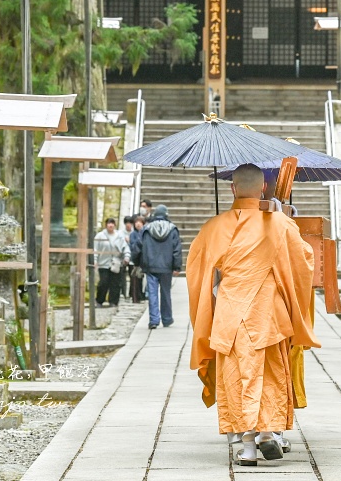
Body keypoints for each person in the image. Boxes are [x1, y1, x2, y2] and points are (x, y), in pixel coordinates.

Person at [187, 164, 319, 466]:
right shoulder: (280, 224)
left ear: (233, 188)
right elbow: (304, 261)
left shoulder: (214, 227)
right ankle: (268, 431)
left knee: (236, 377)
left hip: (231, 313)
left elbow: (197, 272)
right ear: (263, 188)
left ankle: (246, 447)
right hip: (268, 313)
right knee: (270, 373)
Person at [133, 205, 182, 328]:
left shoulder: (146, 229)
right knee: (166, 293)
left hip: (150, 266)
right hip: (166, 267)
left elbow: (138, 247)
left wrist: (137, 262)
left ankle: (154, 320)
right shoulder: (172, 230)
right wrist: (177, 266)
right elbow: (177, 249)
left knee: (152, 293)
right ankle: (167, 318)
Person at [93, 218, 130, 307]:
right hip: (103, 263)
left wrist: (127, 256)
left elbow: (125, 247)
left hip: (116, 263)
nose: (111, 225)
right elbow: (95, 249)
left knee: (115, 283)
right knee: (103, 282)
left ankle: (113, 301)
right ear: (106, 225)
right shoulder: (100, 236)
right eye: (109, 223)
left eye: (112, 223)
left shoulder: (119, 236)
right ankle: (99, 300)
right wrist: (95, 260)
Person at [128, 215, 146, 303]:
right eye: (136, 223)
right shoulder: (133, 234)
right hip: (135, 260)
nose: (138, 224)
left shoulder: (146, 233)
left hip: (144, 259)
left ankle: (141, 295)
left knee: (141, 279)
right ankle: (135, 297)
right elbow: (132, 246)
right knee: (135, 279)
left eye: (140, 222)